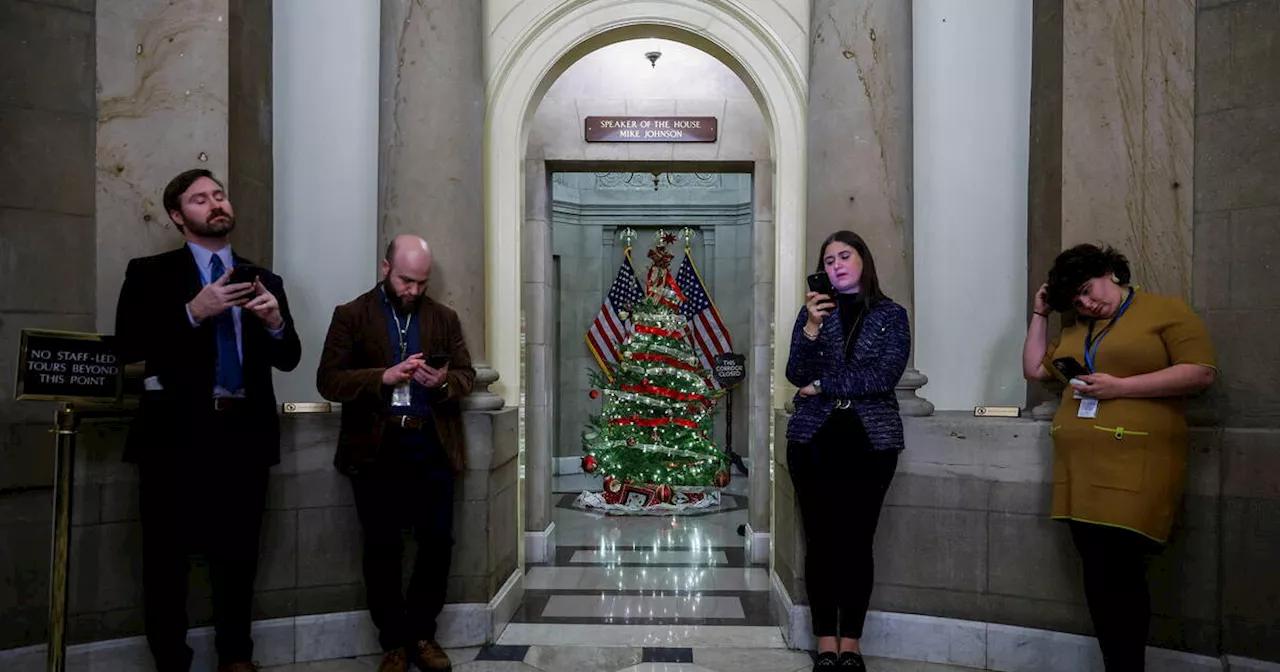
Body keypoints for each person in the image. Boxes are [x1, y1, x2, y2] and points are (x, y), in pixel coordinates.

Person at [114, 169, 301, 672]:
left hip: (244, 435)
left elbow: (290, 359)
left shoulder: (265, 279)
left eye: (219, 194)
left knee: (238, 558)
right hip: (175, 439)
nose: (215, 204)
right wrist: (192, 313)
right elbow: (128, 348)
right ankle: (171, 659)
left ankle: (236, 656)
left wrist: (275, 323)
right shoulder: (150, 274)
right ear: (179, 217)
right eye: (200, 199)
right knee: (166, 561)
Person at [1022, 244, 1216, 671]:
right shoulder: (1076, 327)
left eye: (1089, 291)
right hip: (1081, 472)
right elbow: (1036, 369)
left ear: (1111, 271)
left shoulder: (1165, 310)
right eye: (1076, 301)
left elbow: (1201, 371)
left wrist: (1120, 388)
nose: (1088, 303)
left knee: (1122, 573)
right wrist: (1041, 313)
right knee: (1098, 575)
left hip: (1138, 465)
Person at [316, 235, 475, 672]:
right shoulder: (351, 315)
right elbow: (328, 381)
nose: (414, 291)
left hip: (431, 445)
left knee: (437, 542)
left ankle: (423, 634)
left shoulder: (444, 318)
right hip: (377, 449)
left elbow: (466, 374)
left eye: (422, 283)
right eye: (406, 281)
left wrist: (441, 383)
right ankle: (394, 644)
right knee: (382, 547)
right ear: (385, 267)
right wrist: (382, 377)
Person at [785, 230, 911, 671]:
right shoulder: (815, 313)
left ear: (863, 260)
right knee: (820, 544)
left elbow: (883, 376)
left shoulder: (892, 315)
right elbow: (794, 372)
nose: (836, 265)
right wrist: (811, 327)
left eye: (845, 256)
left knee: (857, 543)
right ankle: (825, 641)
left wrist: (822, 385)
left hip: (869, 442)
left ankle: (851, 642)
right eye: (829, 259)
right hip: (813, 440)